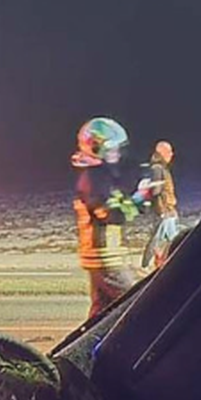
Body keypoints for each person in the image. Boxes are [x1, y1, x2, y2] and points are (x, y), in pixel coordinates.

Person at [72, 117, 141, 320]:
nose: (117, 154)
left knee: (100, 312)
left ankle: (79, 349)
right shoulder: (94, 178)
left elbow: (118, 206)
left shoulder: (98, 175)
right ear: (96, 148)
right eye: (112, 149)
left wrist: (135, 201)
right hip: (104, 255)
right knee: (135, 301)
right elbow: (108, 213)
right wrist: (138, 200)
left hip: (104, 254)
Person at [141, 140, 180, 270]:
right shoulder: (158, 168)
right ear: (162, 152)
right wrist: (162, 209)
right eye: (169, 151)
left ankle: (163, 263)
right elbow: (156, 191)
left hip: (168, 209)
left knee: (170, 239)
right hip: (164, 210)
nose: (171, 154)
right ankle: (146, 265)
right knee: (159, 239)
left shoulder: (160, 168)